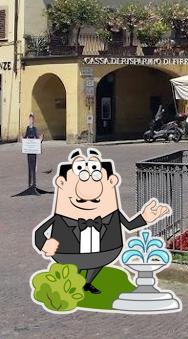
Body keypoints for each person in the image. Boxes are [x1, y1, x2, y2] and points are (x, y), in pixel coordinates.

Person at [33, 148, 171, 293]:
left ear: (112, 181)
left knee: (96, 264)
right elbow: (39, 232)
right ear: (62, 183)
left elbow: (129, 225)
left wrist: (144, 218)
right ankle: (72, 282)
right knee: (74, 269)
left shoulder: (112, 214)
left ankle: (87, 283)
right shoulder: (60, 217)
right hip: (68, 253)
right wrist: (43, 244)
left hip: (105, 252)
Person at [24, 114, 41, 189]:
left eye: (31, 119)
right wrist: (22, 138)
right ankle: (29, 183)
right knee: (29, 167)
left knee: (33, 167)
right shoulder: (27, 128)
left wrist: (40, 139)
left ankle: (34, 183)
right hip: (29, 150)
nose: (30, 121)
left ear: (33, 120)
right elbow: (25, 137)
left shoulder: (35, 129)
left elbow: (37, 138)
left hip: (33, 150)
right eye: (29, 119)